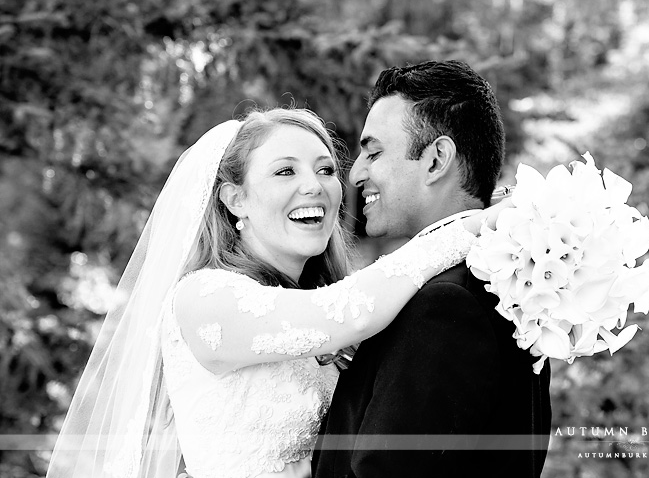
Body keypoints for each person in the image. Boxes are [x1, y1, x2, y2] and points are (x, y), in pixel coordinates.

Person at [45, 107, 504, 478]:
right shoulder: (203, 298)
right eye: (285, 171)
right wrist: (469, 228)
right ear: (234, 199)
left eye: (325, 169)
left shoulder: (319, 304)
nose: (315, 186)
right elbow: (352, 311)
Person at [312, 60, 552, 478]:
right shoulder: (508, 291)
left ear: (436, 159)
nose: (356, 174)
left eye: (374, 152)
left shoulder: (445, 308)